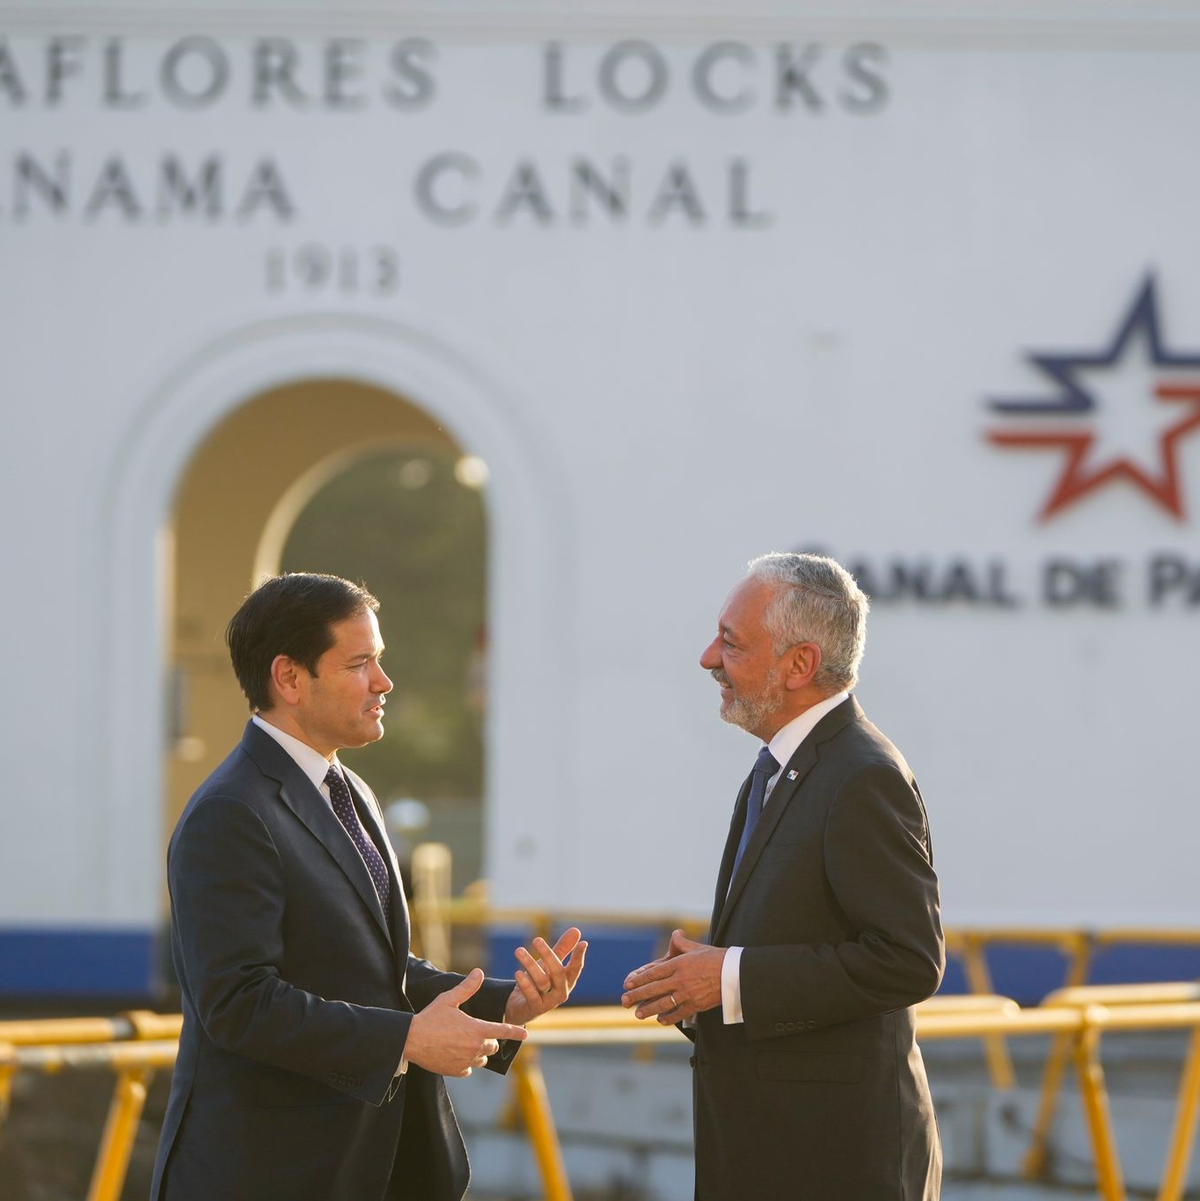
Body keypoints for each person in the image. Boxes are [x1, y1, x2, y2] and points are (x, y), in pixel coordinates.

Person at [152, 573, 586, 1201]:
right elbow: (238, 1004)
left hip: (372, 1166)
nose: (383, 683)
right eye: (360, 664)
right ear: (290, 678)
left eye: (379, 661)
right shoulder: (231, 812)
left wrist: (505, 1005)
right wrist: (408, 1039)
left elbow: (375, 966)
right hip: (269, 1174)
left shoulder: (350, 791)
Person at [621, 552, 943, 1199]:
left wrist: (729, 975)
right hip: (773, 1154)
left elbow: (909, 960)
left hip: (836, 1164)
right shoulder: (778, 767)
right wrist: (702, 983)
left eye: (731, 642)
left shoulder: (862, 774)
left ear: (799, 665)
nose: (709, 657)